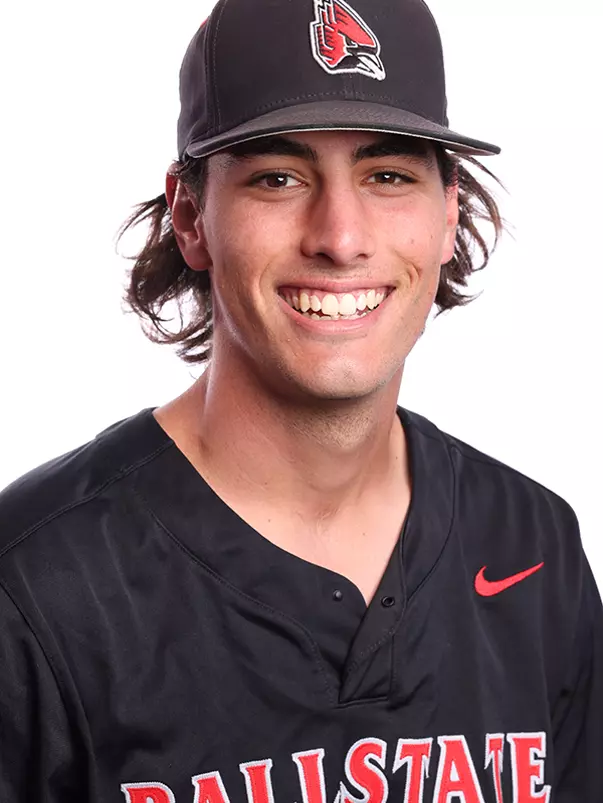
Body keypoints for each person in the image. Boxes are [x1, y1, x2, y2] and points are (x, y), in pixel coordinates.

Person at [0, 0, 601, 800]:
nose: (340, 237)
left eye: (387, 176)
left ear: (447, 210)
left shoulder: (533, 541)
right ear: (190, 217)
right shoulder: (37, 583)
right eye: (278, 178)